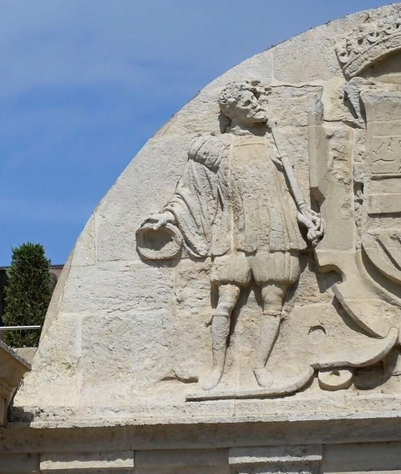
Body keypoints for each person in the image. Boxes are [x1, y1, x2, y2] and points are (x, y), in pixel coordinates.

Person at [137, 79, 323, 390]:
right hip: (234, 233)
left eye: (255, 101)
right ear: (232, 111)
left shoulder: (275, 144)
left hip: (276, 229)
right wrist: (168, 214)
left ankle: (261, 368)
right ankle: (216, 369)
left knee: (272, 302)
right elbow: (190, 191)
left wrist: (306, 214)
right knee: (225, 301)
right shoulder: (216, 149)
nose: (256, 105)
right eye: (248, 102)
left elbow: (292, 191)